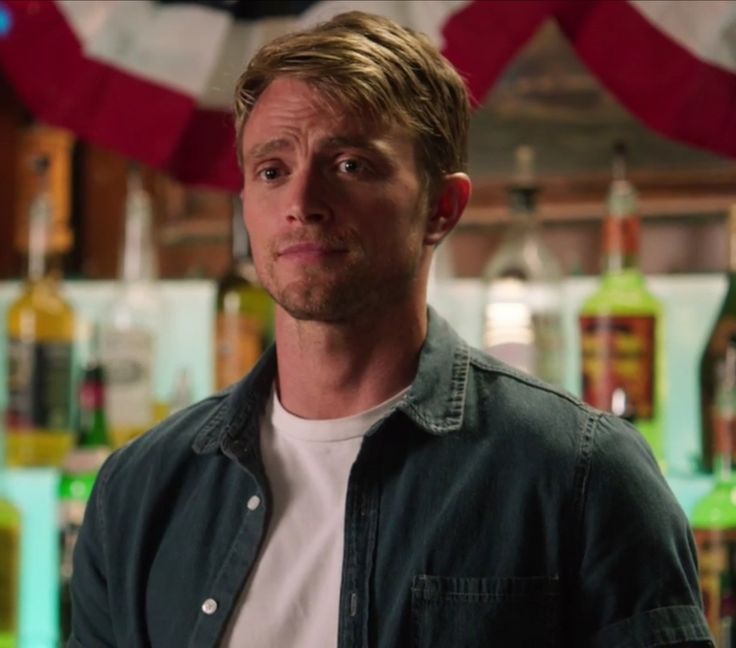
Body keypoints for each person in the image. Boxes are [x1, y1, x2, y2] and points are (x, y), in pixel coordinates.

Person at [69, 11, 713, 648]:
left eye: (350, 165)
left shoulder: (583, 474)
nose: (300, 203)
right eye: (271, 171)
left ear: (441, 208)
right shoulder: (141, 487)